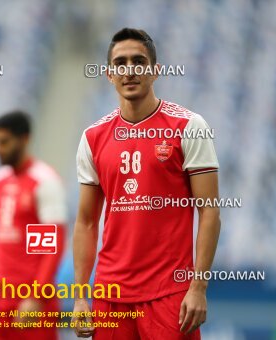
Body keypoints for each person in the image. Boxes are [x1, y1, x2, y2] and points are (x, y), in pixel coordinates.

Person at [73, 28, 221, 339]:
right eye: (120, 63)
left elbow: (209, 212)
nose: (130, 71)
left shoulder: (189, 126)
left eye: (139, 62)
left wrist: (198, 287)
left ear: (155, 72)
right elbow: (86, 221)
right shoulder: (92, 137)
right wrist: (80, 295)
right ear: (109, 75)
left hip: (169, 294)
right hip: (109, 296)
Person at [0, 111, 67, 340]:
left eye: (4, 142)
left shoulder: (42, 181)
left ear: (24, 139)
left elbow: (50, 246)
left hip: (29, 301)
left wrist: (35, 297)